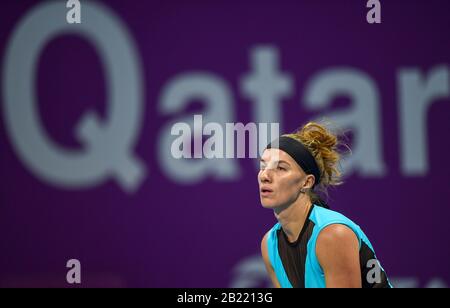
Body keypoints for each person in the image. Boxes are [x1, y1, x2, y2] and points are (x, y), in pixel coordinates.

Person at [259, 121, 392, 288]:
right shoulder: (269, 244)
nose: (264, 176)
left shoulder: (333, 235)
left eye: (280, 168)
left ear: (306, 182)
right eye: (263, 166)